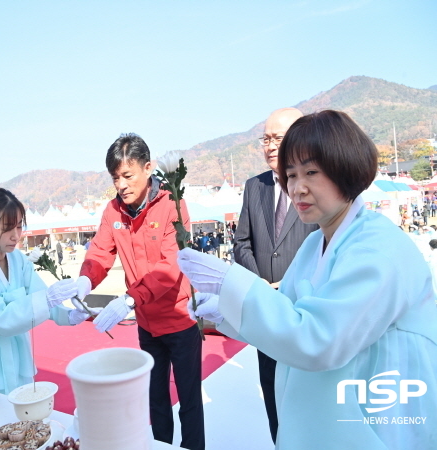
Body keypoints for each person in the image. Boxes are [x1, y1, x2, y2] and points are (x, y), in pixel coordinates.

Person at [178, 110, 437, 449]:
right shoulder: (316, 242)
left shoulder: (378, 247)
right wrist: (228, 314)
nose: (297, 188)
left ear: (345, 168)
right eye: (291, 175)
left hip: (377, 426)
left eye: (311, 172)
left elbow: (319, 339)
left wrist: (233, 285)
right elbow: (287, 313)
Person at [76, 133, 205, 450]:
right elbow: (100, 253)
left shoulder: (173, 204)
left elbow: (171, 265)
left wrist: (130, 297)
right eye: (115, 177)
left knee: (189, 400)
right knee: (155, 400)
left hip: (180, 320)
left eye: (128, 175)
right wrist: (83, 281)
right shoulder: (113, 212)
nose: (121, 184)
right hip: (147, 325)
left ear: (148, 168)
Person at [0, 188, 99, 394]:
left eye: (19, 227)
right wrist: (47, 299)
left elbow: (39, 296)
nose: (15, 236)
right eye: (7, 228)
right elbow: (1, 319)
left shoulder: (17, 259)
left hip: (17, 356)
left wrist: (70, 315)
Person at [232, 107, 318, 443]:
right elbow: (241, 243)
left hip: (304, 311)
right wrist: (259, 285)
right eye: (264, 139)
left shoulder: (316, 186)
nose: (269, 146)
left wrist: (291, 282)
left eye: (276, 138)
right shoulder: (254, 187)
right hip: (265, 310)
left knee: (306, 397)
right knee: (273, 397)